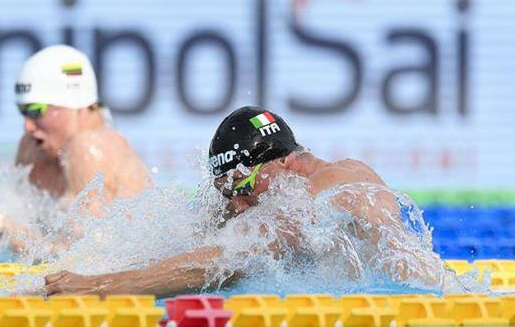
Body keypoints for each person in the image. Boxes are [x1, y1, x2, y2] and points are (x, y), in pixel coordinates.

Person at [43, 106, 444, 297]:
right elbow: (201, 240)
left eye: (239, 187)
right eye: (225, 193)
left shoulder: (318, 195)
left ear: (279, 162)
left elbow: (220, 261)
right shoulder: (298, 184)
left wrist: (99, 286)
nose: (235, 204)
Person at [0, 45, 152, 255]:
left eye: (36, 111)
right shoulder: (34, 147)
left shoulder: (88, 148)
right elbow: (26, 230)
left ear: (74, 103)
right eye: (23, 112)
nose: (27, 125)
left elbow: (83, 263)